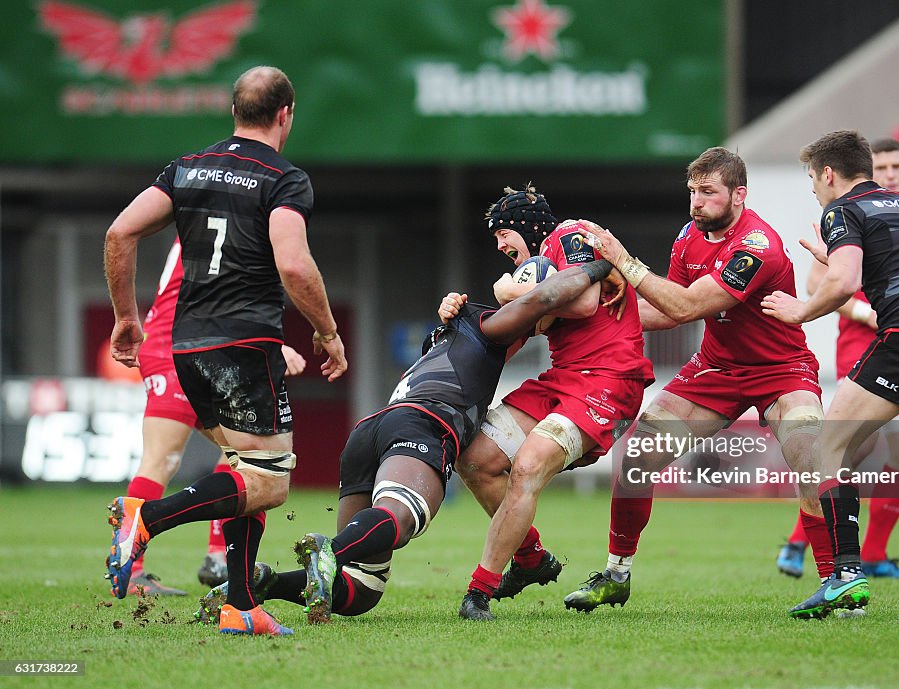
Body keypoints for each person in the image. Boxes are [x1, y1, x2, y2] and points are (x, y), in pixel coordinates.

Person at [192, 260, 618, 625]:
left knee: (359, 589)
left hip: (371, 432)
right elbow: (542, 301)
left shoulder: (454, 325)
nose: (554, 325)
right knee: (400, 517)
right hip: (422, 427)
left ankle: (261, 583)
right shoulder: (486, 321)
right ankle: (329, 550)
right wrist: (604, 263)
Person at [103, 65, 347, 637]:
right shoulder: (284, 178)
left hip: (185, 344)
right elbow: (292, 263)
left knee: (245, 467)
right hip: (243, 342)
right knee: (272, 479)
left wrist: (125, 317)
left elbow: (119, 232)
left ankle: (240, 605)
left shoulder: (186, 169)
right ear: (286, 114)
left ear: (234, 111)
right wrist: (328, 331)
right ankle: (145, 521)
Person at [563, 147, 830, 615]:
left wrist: (624, 262)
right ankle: (616, 574)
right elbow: (669, 306)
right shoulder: (690, 236)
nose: (696, 202)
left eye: (708, 192)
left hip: (781, 369)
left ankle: (837, 581)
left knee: (809, 456)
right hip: (716, 369)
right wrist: (591, 319)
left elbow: (687, 306)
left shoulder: (757, 246)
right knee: (638, 456)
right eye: (692, 191)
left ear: (739, 194)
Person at [762, 129, 899, 620]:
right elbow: (880, 268)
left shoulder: (841, 210)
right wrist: (833, 257)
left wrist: (799, 311)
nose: (814, 192)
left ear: (828, 174)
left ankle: (845, 576)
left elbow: (844, 282)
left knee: (829, 447)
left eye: (812, 181)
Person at [440, 185, 654, 621]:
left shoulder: (569, 235)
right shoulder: (540, 270)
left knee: (528, 465)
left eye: (504, 233)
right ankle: (531, 559)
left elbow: (584, 300)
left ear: (527, 226)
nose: (500, 245)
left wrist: (507, 292)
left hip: (609, 381)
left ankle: (479, 591)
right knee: (476, 460)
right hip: (564, 377)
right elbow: (511, 330)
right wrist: (458, 311)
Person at [125, 237, 308, 596]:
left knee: (243, 454)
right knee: (164, 458)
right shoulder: (232, 222)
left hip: (194, 342)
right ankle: (131, 569)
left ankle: (218, 559)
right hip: (178, 344)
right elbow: (226, 295)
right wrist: (272, 346)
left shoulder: (207, 215)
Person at [776, 137, 899, 581]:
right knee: (856, 445)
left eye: (898, 166)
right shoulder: (850, 211)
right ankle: (810, 541)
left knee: (894, 448)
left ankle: (862, 551)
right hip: (864, 343)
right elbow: (823, 277)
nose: (891, 173)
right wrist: (862, 311)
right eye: (884, 165)